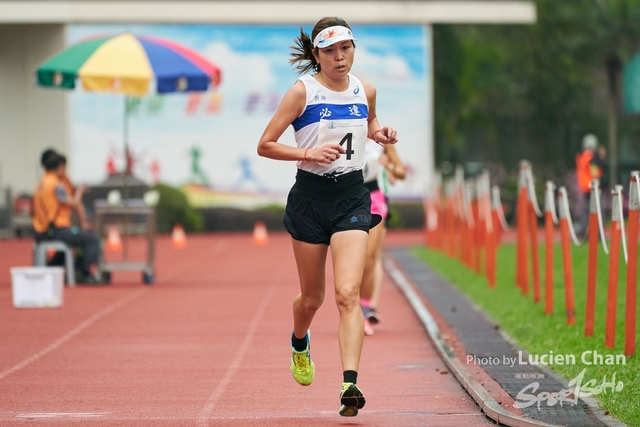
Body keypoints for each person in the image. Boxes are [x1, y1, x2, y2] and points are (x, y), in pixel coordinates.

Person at [257, 17, 398, 417]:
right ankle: (299, 341)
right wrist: (308, 153)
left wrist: (379, 134)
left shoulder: (365, 89)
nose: (340, 58)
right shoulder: (302, 93)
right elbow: (265, 145)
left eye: (346, 49)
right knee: (313, 299)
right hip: (310, 199)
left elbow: (368, 125)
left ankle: (349, 384)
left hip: (353, 195)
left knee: (347, 293)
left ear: (354, 48)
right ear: (316, 54)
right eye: (331, 51)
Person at [32, 149, 102, 284]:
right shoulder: (55, 184)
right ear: (60, 166)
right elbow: (74, 203)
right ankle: (85, 272)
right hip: (55, 229)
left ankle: (51, 270)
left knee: (71, 241)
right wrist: (80, 191)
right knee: (92, 238)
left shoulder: (41, 183)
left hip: (40, 229)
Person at [360, 142, 406, 335]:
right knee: (360, 257)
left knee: (371, 256)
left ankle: (367, 307)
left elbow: (401, 172)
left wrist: (387, 165)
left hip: (376, 199)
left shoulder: (382, 141)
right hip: (348, 197)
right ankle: (356, 306)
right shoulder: (344, 127)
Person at [575, 133, 597, 239]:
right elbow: (594, 172)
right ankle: (591, 232)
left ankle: (584, 231)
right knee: (593, 211)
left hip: (584, 186)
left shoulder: (581, 157)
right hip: (591, 187)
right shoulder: (590, 158)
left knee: (586, 211)